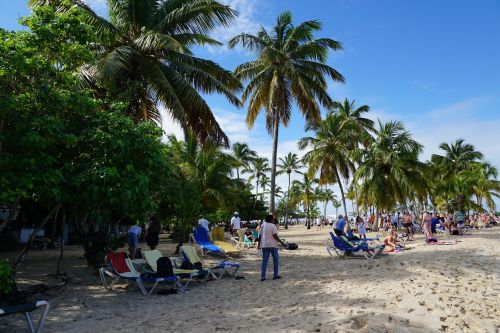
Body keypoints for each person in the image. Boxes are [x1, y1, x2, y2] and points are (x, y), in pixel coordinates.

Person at [258, 214, 286, 281]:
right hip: (273, 245)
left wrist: (258, 245)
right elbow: (275, 235)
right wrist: (282, 243)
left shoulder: (263, 225)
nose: (274, 220)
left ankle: (263, 276)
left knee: (264, 261)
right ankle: (275, 275)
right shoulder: (273, 225)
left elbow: (260, 236)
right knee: (275, 260)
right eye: (273, 219)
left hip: (264, 245)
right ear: (271, 219)